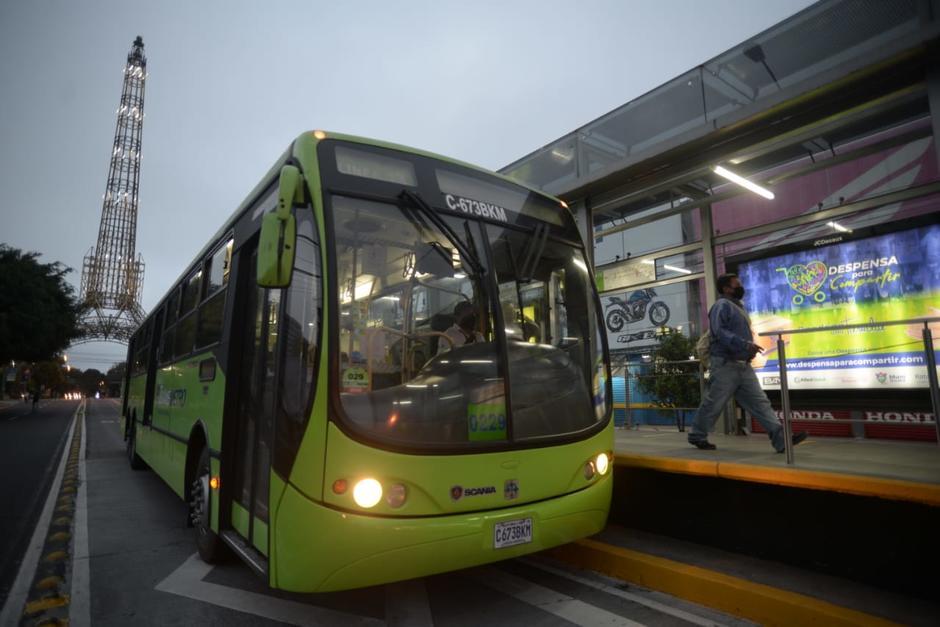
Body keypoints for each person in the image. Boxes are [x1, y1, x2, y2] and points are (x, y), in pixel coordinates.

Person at [688, 273, 808, 453]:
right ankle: (697, 436)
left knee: (760, 403)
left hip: (743, 365)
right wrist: (744, 345)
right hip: (725, 365)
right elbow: (719, 332)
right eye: (737, 284)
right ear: (726, 288)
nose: (741, 287)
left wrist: (747, 351)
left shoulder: (738, 308)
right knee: (714, 403)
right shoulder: (721, 306)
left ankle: (782, 441)